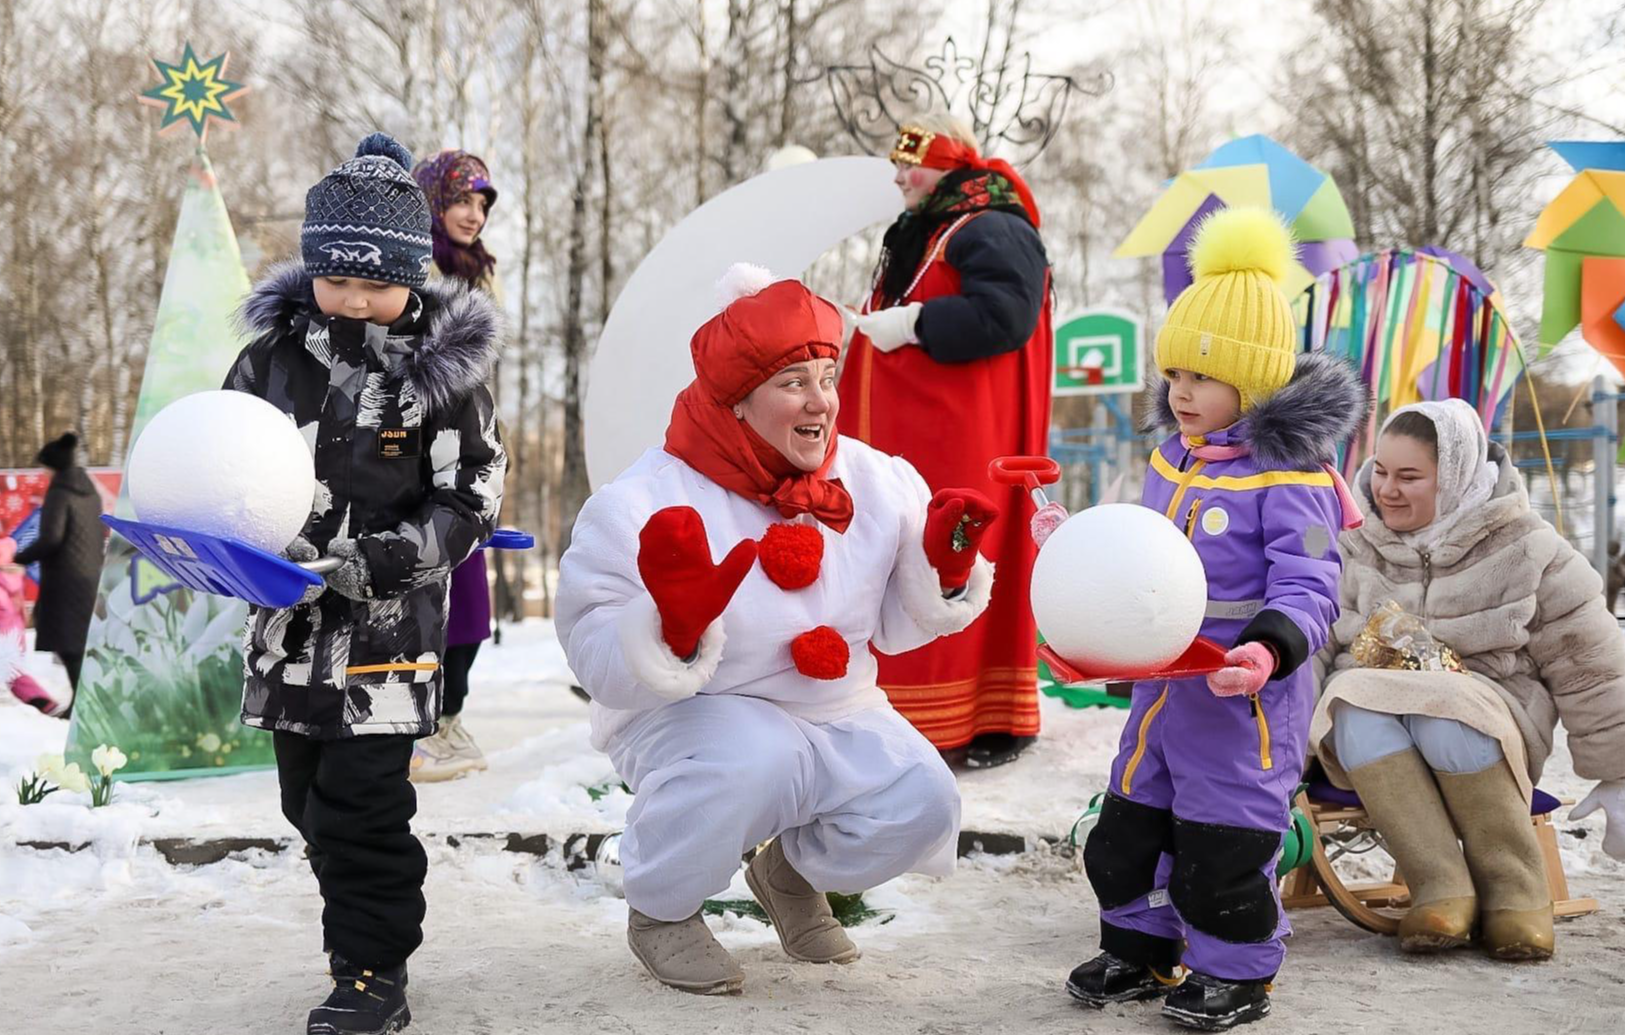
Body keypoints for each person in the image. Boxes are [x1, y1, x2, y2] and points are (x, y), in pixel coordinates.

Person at [556, 264, 997, 995]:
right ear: (735, 397)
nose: (821, 400)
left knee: (926, 800)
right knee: (749, 757)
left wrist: (942, 574)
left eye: (826, 376)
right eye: (794, 381)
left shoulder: (875, 478)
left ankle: (787, 874)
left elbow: (892, 627)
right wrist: (668, 625)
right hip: (689, 712)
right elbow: (594, 652)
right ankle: (662, 910)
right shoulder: (643, 497)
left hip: (837, 706)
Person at [225, 132, 506, 1035]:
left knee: (361, 808)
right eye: (337, 279)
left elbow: (472, 493)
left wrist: (381, 557)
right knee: (304, 802)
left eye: (375, 282)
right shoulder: (268, 363)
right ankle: (359, 924)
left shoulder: (442, 374)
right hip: (288, 632)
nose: (354, 299)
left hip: (386, 638)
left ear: (412, 278)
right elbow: (225, 464)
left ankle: (372, 968)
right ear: (311, 270)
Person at [1058, 209, 1364, 1030]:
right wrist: (1080, 559)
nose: (1178, 392)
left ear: (1253, 380)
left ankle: (1235, 971)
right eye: (1171, 374)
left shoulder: (1290, 477)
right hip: (1162, 692)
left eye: (1200, 375)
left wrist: (1266, 652)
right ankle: (1138, 945)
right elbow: (1142, 554)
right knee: (1127, 828)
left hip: (1243, 700)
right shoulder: (1172, 460)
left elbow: (1309, 582)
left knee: (1220, 841)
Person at [1311, 399, 1625, 961]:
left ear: (1453, 477)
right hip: (1372, 720)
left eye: (1410, 477)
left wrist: (1618, 771)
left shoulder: (1528, 547)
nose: (1387, 490)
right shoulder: (1351, 543)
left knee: (1443, 713)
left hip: (1487, 716)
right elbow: (1312, 640)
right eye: (1380, 471)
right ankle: (1440, 885)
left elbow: (1591, 660)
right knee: (1351, 704)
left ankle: (1514, 888)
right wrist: (1274, 744)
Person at [836, 114, 1052, 768]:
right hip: (925, 439)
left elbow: (1005, 316)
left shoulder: (988, 225)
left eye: (913, 165)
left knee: (948, 557)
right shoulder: (936, 227)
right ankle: (909, 706)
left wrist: (919, 321)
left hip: (961, 442)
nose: (901, 177)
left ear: (950, 168)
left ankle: (963, 714)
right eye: (898, 166)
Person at [408, 148, 501, 781]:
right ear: (433, 202)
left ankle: (444, 719)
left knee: (471, 601)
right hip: (417, 451)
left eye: (480, 204)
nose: (473, 215)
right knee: (431, 587)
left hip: (469, 445)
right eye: (461, 200)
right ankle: (419, 727)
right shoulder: (416, 265)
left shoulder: (478, 273)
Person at [14, 431, 105, 707]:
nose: (43, 475)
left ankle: (82, 705)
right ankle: (83, 701)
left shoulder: (59, 493)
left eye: (44, 469)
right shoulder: (89, 491)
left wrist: (18, 558)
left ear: (53, 466)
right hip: (89, 576)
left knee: (69, 645)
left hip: (65, 579)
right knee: (78, 643)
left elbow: (51, 538)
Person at [1, 535, 65, 716]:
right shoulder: (12, 576)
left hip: (4, 636)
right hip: (14, 633)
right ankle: (43, 702)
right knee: (13, 674)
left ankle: (43, 702)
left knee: (12, 674)